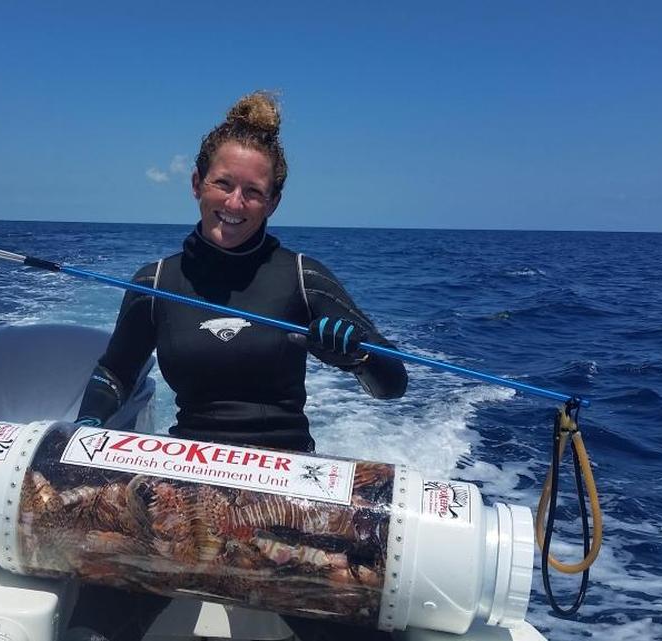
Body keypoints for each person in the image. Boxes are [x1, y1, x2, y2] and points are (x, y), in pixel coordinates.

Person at [69, 91, 408, 641]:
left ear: (273, 203)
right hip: (184, 481)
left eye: (254, 192)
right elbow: (114, 374)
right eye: (223, 183)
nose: (235, 202)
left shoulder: (303, 277)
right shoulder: (155, 283)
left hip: (290, 489)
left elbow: (392, 383)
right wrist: (87, 428)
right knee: (91, 626)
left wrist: (358, 357)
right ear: (197, 183)